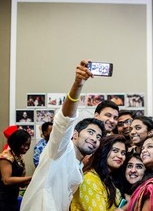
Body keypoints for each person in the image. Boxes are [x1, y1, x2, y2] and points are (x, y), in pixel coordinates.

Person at [20, 60, 106, 211]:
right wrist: (77, 86)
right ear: (74, 135)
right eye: (91, 132)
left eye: (98, 137)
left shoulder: (79, 164)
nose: (94, 138)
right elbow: (64, 120)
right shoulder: (61, 150)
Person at [70, 134, 127, 211]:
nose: (120, 156)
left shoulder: (109, 179)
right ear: (104, 151)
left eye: (123, 153)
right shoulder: (89, 180)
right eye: (115, 151)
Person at [0, 127, 32, 211]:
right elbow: (6, 180)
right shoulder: (6, 156)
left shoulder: (18, 157)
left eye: (28, 145)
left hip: (12, 198)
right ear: (16, 143)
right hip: (3, 199)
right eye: (24, 145)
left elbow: (21, 183)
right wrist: (31, 177)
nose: (26, 148)